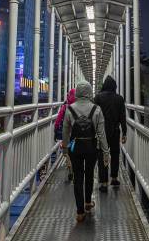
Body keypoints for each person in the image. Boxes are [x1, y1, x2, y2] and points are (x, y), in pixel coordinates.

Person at [62, 80, 109, 223]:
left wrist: (65, 149)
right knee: (89, 174)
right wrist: (106, 152)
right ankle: (88, 202)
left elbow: (65, 131)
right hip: (91, 148)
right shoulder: (97, 109)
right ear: (89, 92)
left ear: (77, 92)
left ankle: (80, 212)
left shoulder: (70, 109)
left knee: (78, 178)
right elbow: (101, 133)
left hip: (75, 148)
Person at [93, 75, 126, 192]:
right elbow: (123, 117)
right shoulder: (120, 99)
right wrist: (125, 132)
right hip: (115, 131)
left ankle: (103, 182)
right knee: (115, 154)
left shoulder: (98, 97)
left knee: (102, 155)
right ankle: (114, 178)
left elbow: (94, 115)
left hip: (101, 131)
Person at [54, 88, 76, 181]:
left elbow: (59, 119)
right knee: (75, 150)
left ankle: (71, 170)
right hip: (78, 133)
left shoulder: (65, 106)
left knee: (67, 151)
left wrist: (55, 129)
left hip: (66, 132)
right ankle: (77, 167)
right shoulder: (80, 105)